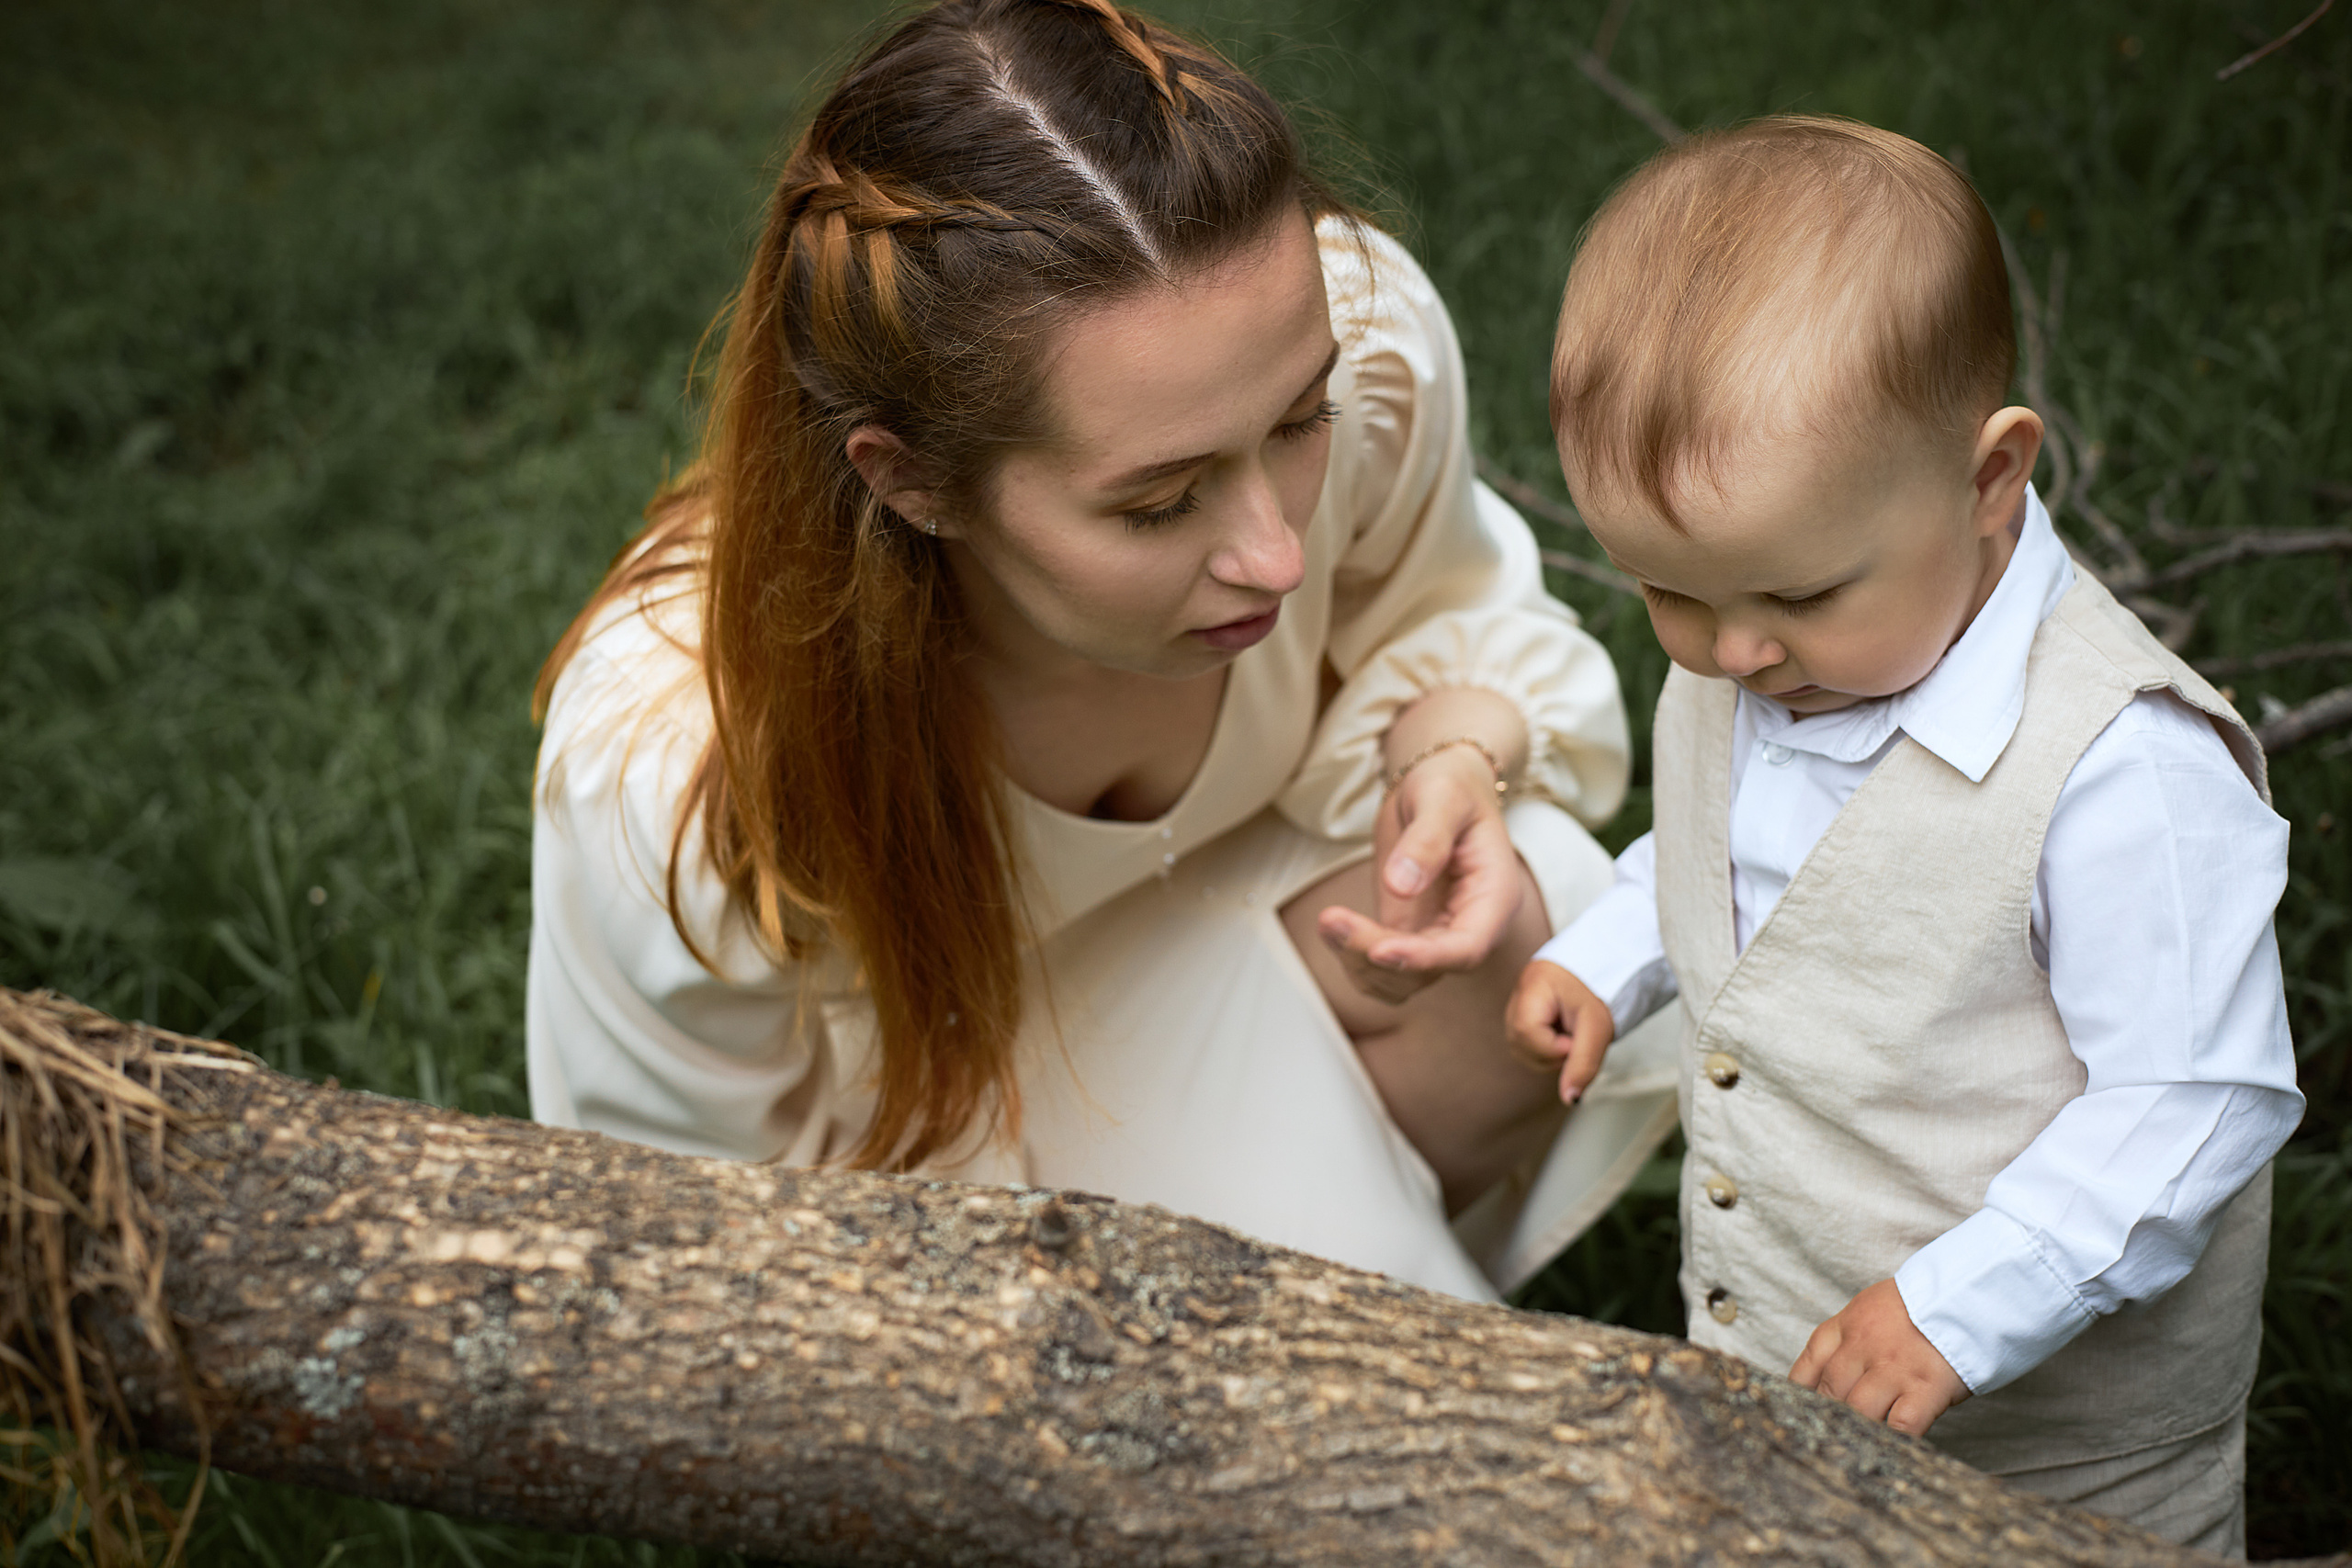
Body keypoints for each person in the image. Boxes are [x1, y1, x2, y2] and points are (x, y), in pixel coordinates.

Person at [526, 0, 1677, 1305]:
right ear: (913, 483)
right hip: (923, 1160)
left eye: (1302, 422)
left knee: (1513, 929)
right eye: (1158, 503)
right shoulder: (686, 752)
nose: (1275, 556)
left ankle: (1366, 1301)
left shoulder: (1329, 341)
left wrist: (1457, 753)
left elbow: (1445, 610)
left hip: (1239, 949)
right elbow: (696, 1241)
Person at [1507, 116, 2301, 1551]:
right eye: (1667, 594)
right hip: (1787, 1378)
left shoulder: (2119, 771)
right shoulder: (1766, 644)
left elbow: (2194, 1100)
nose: (1732, 651)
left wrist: (1963, 1301)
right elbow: (1739, 864)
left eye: (1797, 597)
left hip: (2064, 1465)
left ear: (1990, 477)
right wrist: (1617, 953)